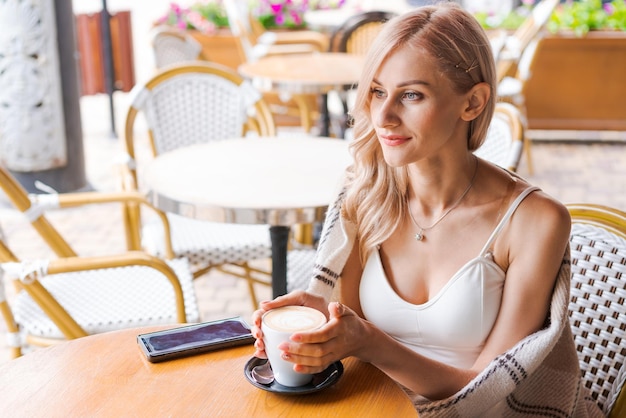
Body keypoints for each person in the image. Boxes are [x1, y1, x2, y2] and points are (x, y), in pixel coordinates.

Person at [252, 3, 602, 416]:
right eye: (378, 91)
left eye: (411, 95)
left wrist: (367, 340)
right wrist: (325, 330)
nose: (383, 116)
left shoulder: (533, 221)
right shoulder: (364, 195)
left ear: (472, 103)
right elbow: (355, 339)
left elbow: (490, 388)